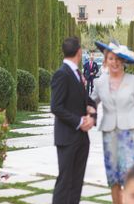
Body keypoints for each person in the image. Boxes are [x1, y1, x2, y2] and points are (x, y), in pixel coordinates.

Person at [90, 41, 134, 204]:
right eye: (111, 59)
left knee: (131, 175)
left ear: (124, 61)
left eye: (118, 59)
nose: (114, 62)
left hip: (131, 134)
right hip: (109, 135)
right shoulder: (100, 82)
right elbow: (90, 103)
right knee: (113, 177)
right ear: (105, 61)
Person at [51, 37, 97, 204]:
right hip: (67, 138)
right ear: (79, 52)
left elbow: (89, 103)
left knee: (76, 183)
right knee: (65, 182)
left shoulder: (78, 74)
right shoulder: (61, 74)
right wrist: (79, 122)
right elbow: (56, 106)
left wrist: (92, 119)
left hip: (81, 139)